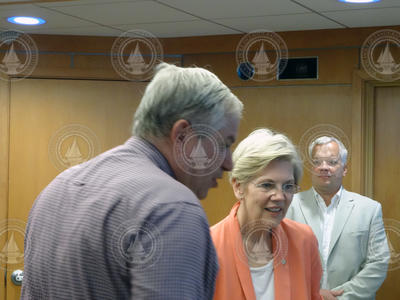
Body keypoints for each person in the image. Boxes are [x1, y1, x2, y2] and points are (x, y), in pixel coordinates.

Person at [21, 63, 243, 299]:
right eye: (224, 144)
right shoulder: (172, 209)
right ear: (183, 135)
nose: (228, 163)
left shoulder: (57, 189)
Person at [211, 128, 323, 300]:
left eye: (288, 186)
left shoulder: (304, 241)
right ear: (238, 186)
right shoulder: (208, 247)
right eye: (267, 185)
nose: (279, 196)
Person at [286, 136, 390, 300]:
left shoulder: (369, 209)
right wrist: (314, 294)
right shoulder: (289, 205)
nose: (323, 167)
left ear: (345, 168)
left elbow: (378, 263)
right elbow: (280, 260)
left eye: (332, 162)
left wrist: (339, 297)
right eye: (317, 162)